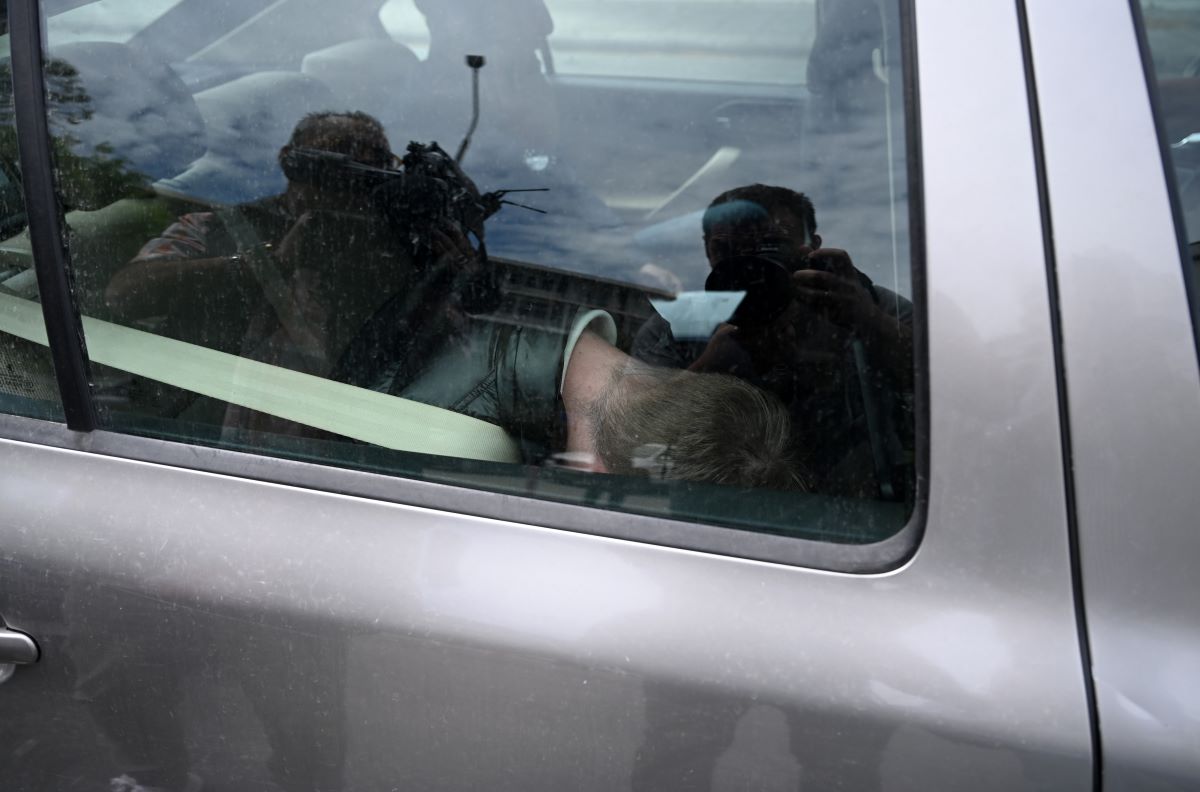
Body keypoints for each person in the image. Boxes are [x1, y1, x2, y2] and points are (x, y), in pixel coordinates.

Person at [633, 184, 914, 499]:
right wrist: (711, 367)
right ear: (708, 251)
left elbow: (933, 384)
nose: (748, 263)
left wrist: (864, 319)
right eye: (726, 249)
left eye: (771, 246)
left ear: (812, 247)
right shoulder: (677, 327)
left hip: (857, 502)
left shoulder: (859, 304)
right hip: (710, 500)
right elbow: (634, 430)